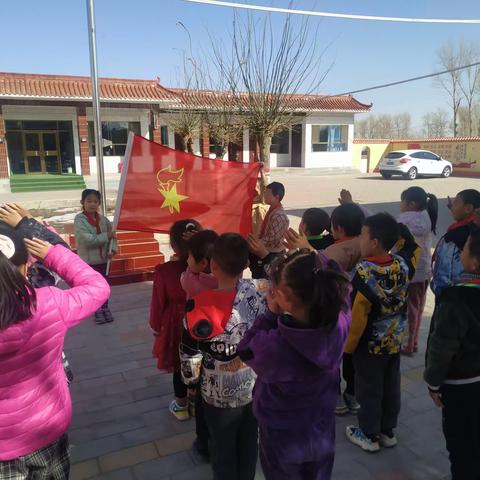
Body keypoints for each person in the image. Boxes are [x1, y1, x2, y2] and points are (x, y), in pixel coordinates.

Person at [0, 214, 109, 478]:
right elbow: (97, 286)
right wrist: (52, 252)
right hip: (48, 430)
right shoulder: (48, 304)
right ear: (27, 266)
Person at [238, 250, 351, 480]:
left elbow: (245, 349)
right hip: (321, 428)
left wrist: (270, 314)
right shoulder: (339, 322)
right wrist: (318, 254)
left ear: (286, 296)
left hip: (283, 435)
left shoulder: (275, 346)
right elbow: (344, 288)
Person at [180, 233, 267, 480]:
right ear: (246, 264)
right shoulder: (260, 291)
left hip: (215, 396)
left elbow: (189, 355)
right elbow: (283, 273)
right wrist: (266, 254)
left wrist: (191, 386)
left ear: (213, 265)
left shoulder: (197, 305)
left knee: (221, 448)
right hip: (252, 388)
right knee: (250, 443)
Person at [345, 213, 420, 452]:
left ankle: (369, 434)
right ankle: (388, 431)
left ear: (374, 242)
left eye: (363, 236)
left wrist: (347, 347)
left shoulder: (364, 273)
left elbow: (357, 317)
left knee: (369, 389)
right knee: (391, 385)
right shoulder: (403, 264)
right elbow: (413, 248)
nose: (359, 240)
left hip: (369, 346)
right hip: (395, 340)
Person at [425, 227, 480, 480]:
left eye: (465, 248)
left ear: (475, 261)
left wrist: (433, 383)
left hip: (460, 386)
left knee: (461, 446)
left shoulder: (454, 299)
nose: (460, 254)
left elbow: (441, 347)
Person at [150, 219, 201, 422]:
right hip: (203, 320)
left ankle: (181, 407)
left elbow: (158, 303)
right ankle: (196, 403)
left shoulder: (164, 271)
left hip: (175, 323)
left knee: (180, 364)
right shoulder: (209, 267)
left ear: (173, 244)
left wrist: (156, 327)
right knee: (199, 361)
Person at [180, 229, 218, 459]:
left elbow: (185, 274)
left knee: (204, 401)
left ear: (203, 262)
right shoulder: (223, 280)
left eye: (190, 257)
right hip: (222, 352)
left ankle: (203, 445)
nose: (186, 260)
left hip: (199, 345)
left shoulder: (193, 282)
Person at [396, 187, 438, 355]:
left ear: (411, 204)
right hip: (424, 270)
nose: (400, 205)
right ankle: (412, 342)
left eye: (402, 201)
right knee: (418, 308)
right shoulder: (425, 216)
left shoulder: (406, 219)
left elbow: (392, 235)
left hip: (411, 271)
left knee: (408, 309)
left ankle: (406, 344)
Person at [74, 189, 117, 324]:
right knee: (93, 287)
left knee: (104, 286)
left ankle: (105, 307)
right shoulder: (80, 220)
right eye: (89, 201)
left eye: (95, 201)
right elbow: (87, 240)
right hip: (89, 262)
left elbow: (113, 237)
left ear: (99, 203)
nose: (92, 204)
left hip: (104, 260)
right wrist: (106, 236)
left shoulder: (103, 220)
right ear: (82, 202)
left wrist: (113, 250)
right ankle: (96, 309)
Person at [431, 189, 480, 299]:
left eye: (456, 203)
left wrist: (438, 290)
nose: (452, 206)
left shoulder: (456, 237)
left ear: (468, 208)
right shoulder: (474, 229)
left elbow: (444, 273)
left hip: (452, 298)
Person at [250, 182, 289, 279]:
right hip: (266, 250)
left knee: (265, 280)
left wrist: (257, 243)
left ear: (276, 197)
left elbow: (273, 238)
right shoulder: (273, 209)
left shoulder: (279, 215)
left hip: (272, 253)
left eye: (268, 194)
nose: (265, 196)